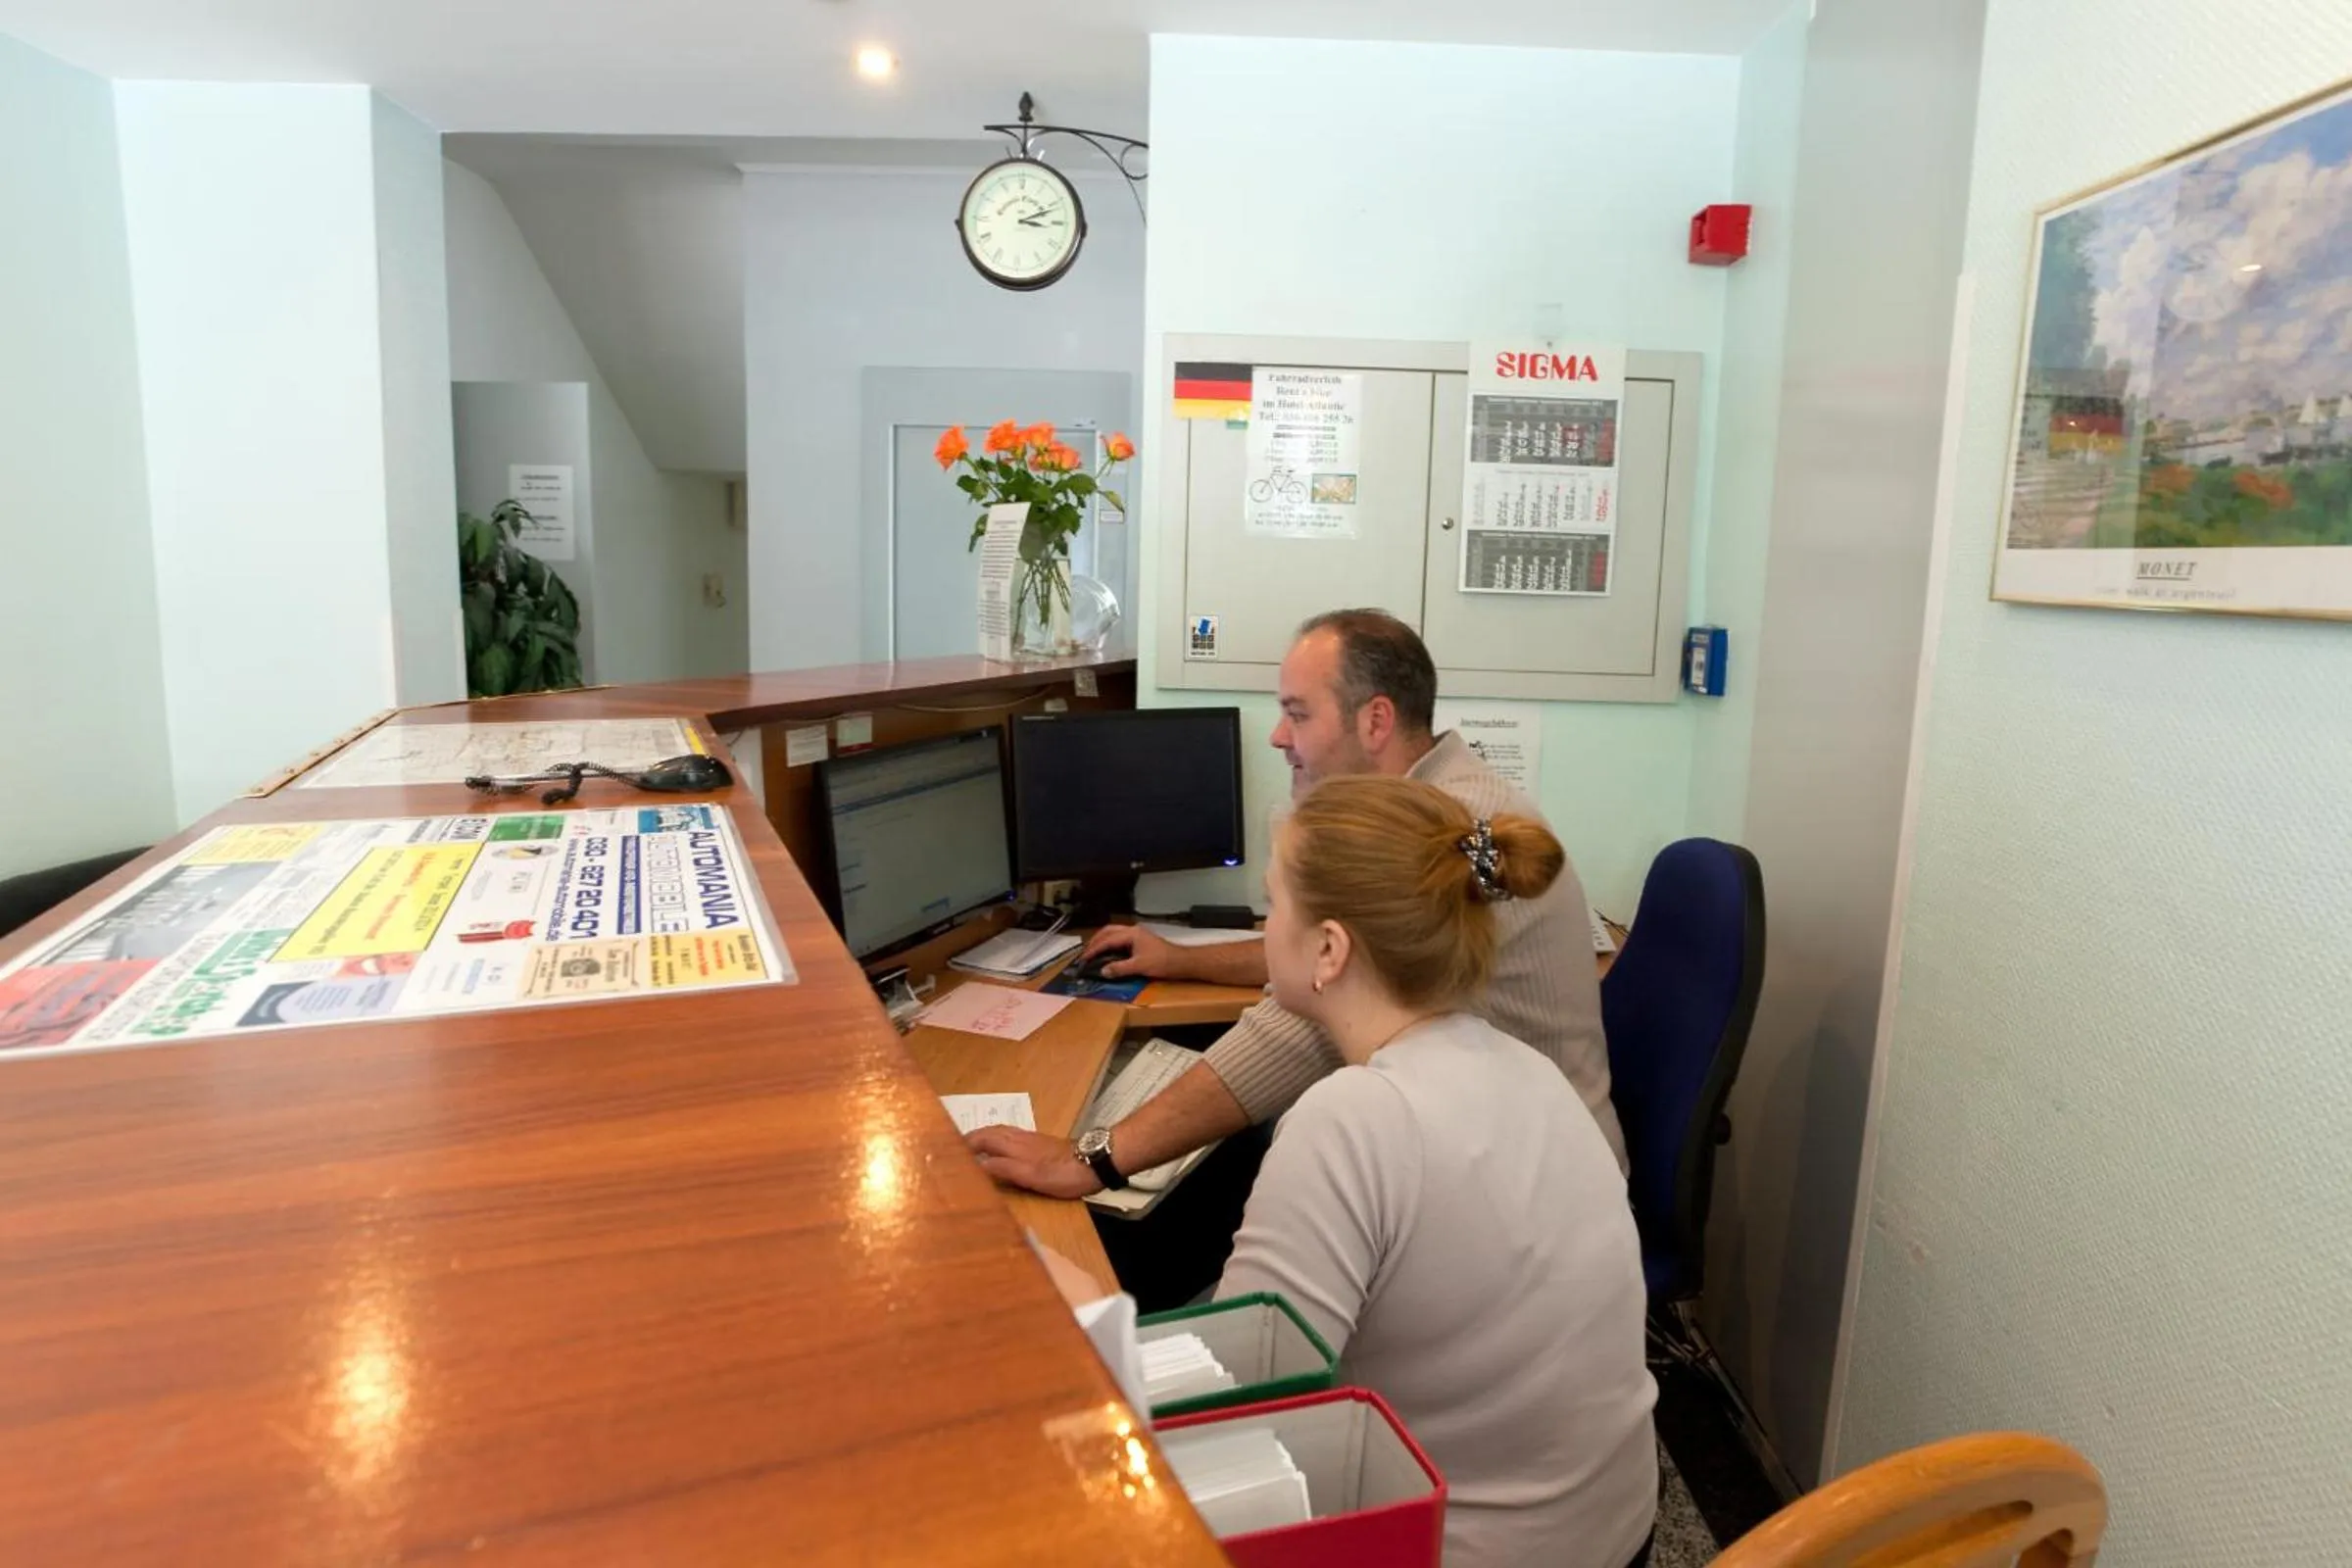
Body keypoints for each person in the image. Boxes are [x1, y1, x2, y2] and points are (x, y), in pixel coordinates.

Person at [1038, 778, 1656, 1568]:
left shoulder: (1351, 1123)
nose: (1265, 933)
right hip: (1619, 1538)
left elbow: (1237, 1420)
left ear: (1329, 950)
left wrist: (1081, 1307)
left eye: (1273, 908)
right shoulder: (1538, 1077)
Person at [966, 611, 1624, 1226]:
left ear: (1375, 721)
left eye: (1297, 714)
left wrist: (1091, 1158)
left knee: (1183, 1210)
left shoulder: (1445, 832)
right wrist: (1182, 960)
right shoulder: (1431, 810)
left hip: (1534, 1195)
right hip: (1487, 1145)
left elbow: (1298, 1024)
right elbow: (1333, 955)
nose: (1279, 736)